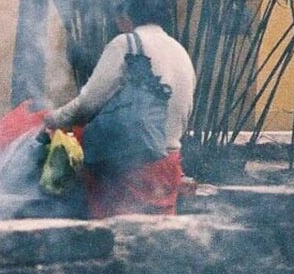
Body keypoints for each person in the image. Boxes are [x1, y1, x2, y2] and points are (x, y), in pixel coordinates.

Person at [41, 18, 197, 217]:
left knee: (116, 238)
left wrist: (53, 119)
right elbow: (185, 112)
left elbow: (86, 105)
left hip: (128, 165)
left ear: (124, 15)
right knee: (158, 239)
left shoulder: (125, 44)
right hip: (169, 165)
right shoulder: (180, 52)